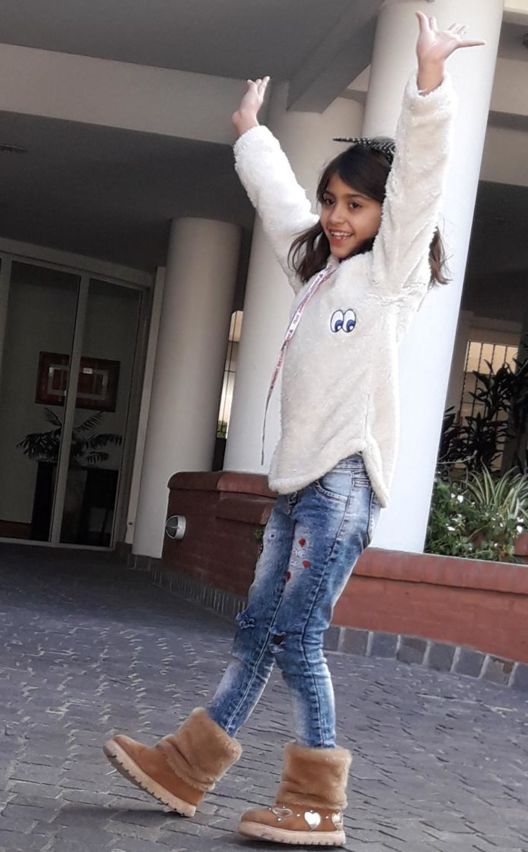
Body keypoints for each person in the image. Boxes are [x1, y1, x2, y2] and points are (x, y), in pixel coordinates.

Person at [103, 11, 483, 847]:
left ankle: (317, 804)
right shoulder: (319, 278)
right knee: (258, 629)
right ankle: (185, 769)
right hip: (296, 489)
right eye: (332, 201)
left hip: (341, 485)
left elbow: (421, 182)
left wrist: (428, 84)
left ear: (385, 214)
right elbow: (281, 208)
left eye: (357, 204)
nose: (338, 217)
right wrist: (250, 135)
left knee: (298, 637)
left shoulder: (388, 280)